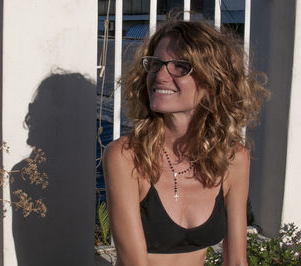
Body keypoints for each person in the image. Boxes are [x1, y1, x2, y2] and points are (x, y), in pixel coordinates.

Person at [103, 18, 269, 266]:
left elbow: (236, 261)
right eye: (155, 64)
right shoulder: (126, 156)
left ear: (214, 82)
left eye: (180, 67)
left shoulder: (234, 159)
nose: (159, 75)